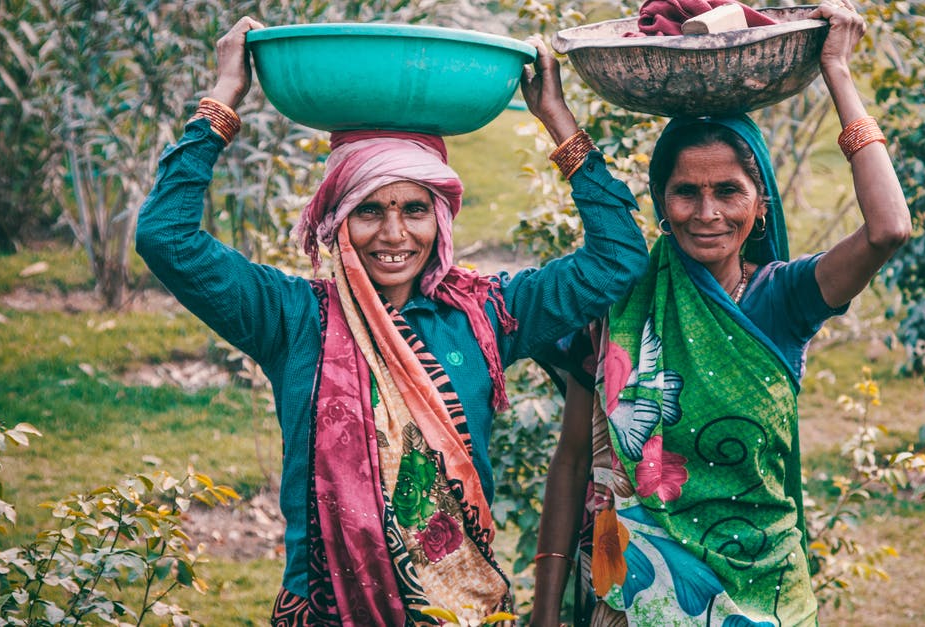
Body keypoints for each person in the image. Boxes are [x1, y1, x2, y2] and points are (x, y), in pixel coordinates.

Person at [135, 16, 648, 625]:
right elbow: (165, 237)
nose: (394, 234)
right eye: (369, 210)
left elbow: (617, 257)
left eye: (414, 210)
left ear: (442, 219)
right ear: (335, 220)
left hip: (459, 609)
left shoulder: (485, 314)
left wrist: (557, 119)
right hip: (329, 612)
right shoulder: (293, 319)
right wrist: (223, 98)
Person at [530, 0, 911, 625]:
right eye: (686, 191)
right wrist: (545, 612)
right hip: (635, 598)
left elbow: (889, 227)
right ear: (661, 202)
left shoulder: (784, 297)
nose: (707, 213)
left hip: (765, 599)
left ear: (761, 204)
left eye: (728, 191)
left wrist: (837, 70)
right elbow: (573, 458)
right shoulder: (621, 302)